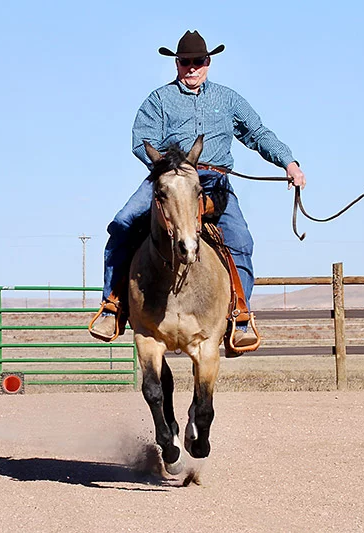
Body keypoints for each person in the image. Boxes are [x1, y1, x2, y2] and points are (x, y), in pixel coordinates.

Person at [90, 30, 306, 350]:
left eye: (198, 62)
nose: (192, 68)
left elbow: (257, 133)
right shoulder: (159, 100)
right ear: (176, 64)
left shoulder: (228, 99)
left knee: (241, 239)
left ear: (208, 62)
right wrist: (172, 167)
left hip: (215, 180)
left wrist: (288, 163)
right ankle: (112, 305)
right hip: (170, 179)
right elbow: (142, 141)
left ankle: (240, 318)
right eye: (185, 62)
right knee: (122, 223)